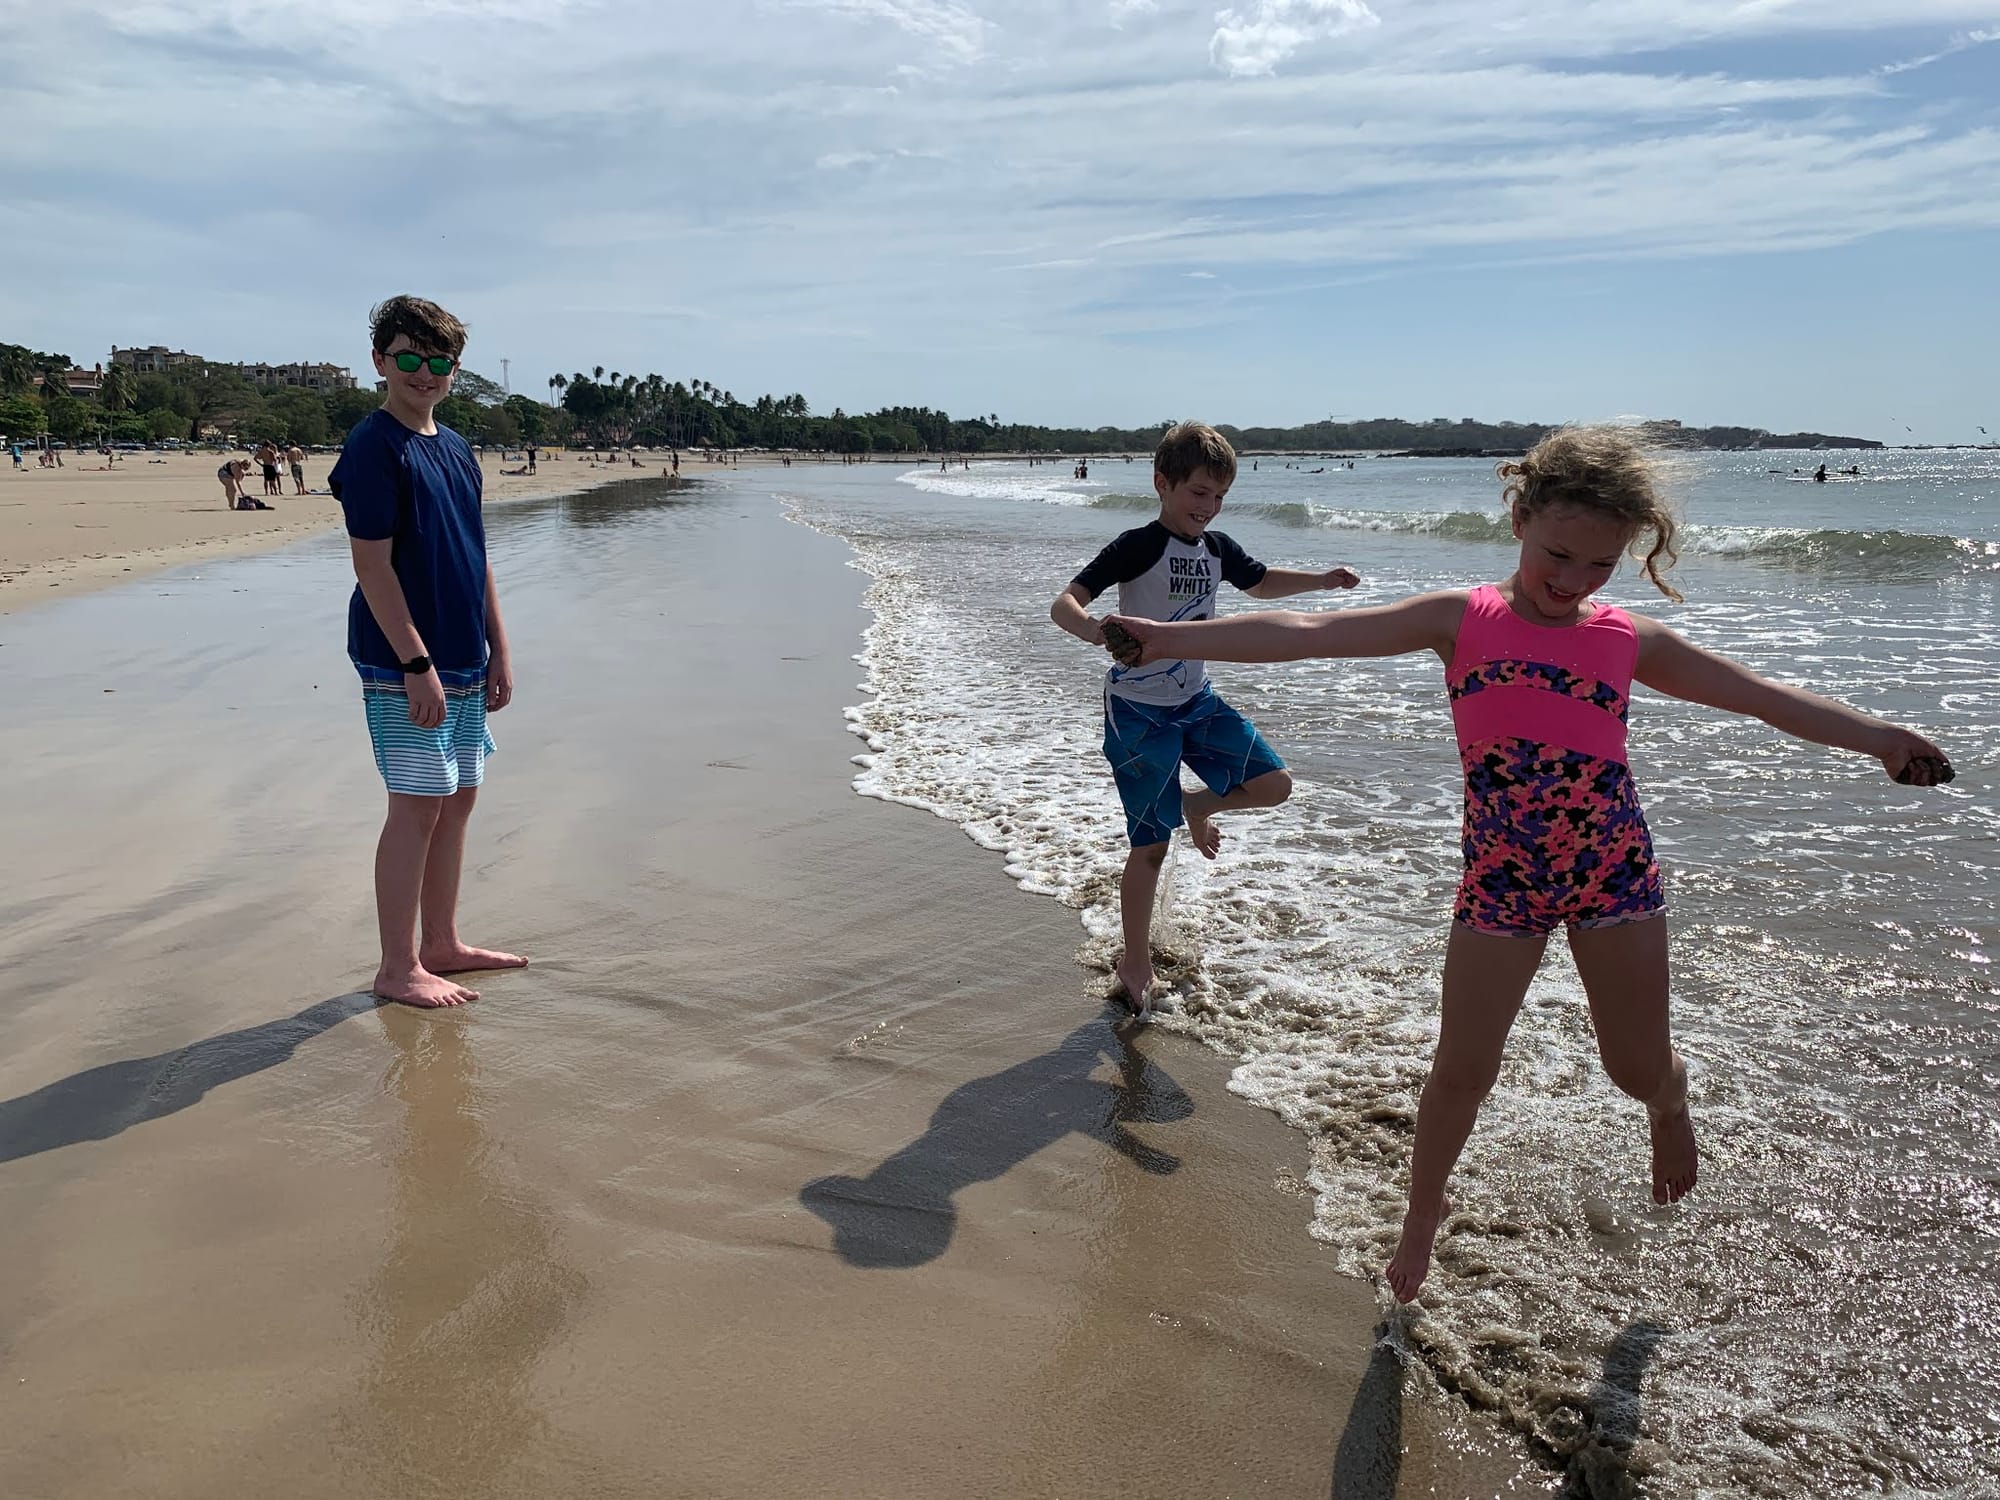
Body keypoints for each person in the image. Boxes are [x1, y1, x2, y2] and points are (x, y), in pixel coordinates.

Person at [1100, 426, 1955, 1300]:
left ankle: (1668, 1101)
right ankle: (1421, 1220)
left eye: (1599, 566)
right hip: (1501, 878)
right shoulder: (1460, 619)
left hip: (1613, 871)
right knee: (1463, 1068)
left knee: (1633, 1067)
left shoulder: (1628, 640)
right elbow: (1310, 631)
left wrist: (1878, 738)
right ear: (1517, 518)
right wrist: (1163, 640)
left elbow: (1763, 696)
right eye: (1558, 554)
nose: (1573, 581)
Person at [1051, 420, 1361, 1020]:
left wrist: (1321, 579)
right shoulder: (1137, 545)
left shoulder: (1216, 550)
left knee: (1274, 786)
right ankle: (1134, 960)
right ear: (1163, 484)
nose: (1209, 507)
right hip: (1139, 714)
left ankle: (1197, 805)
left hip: (1197, 702)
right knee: (1150, 847)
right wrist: (1094, 631)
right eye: (1198, 493)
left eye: (1219, 496)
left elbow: (1262, 582)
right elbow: (1065, 601)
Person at [330, 294, 526, 1009]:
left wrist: (499, 649)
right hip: (401, 660)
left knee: (459, 799)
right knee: (416, 806)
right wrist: (416, 665)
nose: (424, 372)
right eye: (408, 357)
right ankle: (396, 966)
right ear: (380, 361)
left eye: (438, 360)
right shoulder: (373, 447)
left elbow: (479, 559)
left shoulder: (455, 448)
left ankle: (442, 942)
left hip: (465, 655)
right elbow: (372, 567)